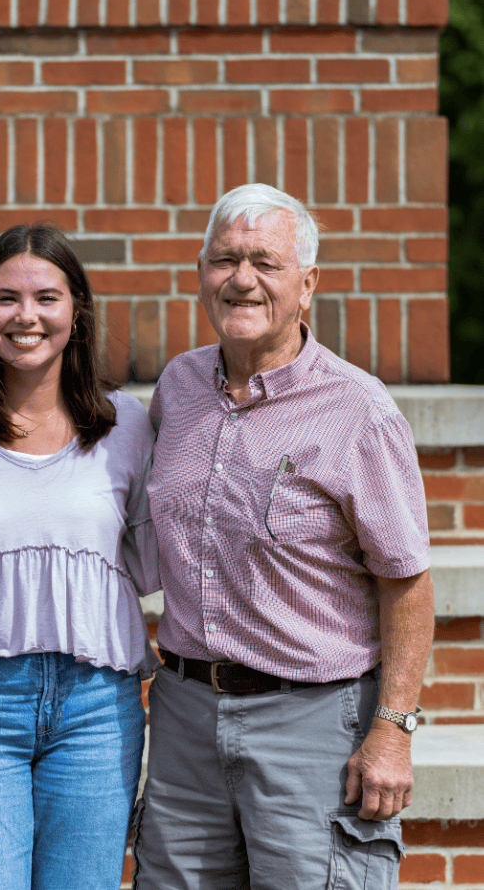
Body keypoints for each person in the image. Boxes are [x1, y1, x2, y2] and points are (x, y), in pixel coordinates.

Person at [133, 184, 434, 890]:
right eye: (225, 260)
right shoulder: (177, 388)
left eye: (265, 262)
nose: (242, 279)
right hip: (183, 715)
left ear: (307, 285)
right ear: (201, 273)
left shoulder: (358, 410)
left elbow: (408, 582)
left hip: (313, 722)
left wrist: (392, 729)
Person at [0, 223, 160, 890]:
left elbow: (152, 553)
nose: (26, 317)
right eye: (5, 298)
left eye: (47, 298)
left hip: (97, 710)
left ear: (77, 311)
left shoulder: (127, 424)